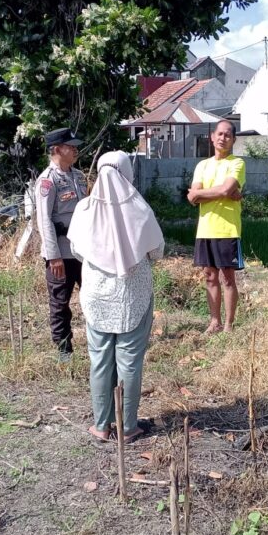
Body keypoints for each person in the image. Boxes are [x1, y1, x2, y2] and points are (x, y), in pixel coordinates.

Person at [67, 151, 165, 442]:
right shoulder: (140, 209)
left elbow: (76, 250)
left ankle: (101, 426)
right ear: (127, 173)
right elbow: (157, 251)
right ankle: (127, 427)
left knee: (99, 360)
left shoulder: (84, 209)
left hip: (96, 295)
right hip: (132, 296)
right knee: (130, 361)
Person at [35, 127, 88, 363]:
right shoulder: (47, 181)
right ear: (57, 149)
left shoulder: (77, 176)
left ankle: (98, 341)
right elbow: (44, 220)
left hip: (82, 251)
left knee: (92, 296)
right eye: (70, 146)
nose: (75, 150)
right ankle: (64, 350)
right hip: (61, 252)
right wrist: (53, 256)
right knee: (60, 302)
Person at [187, 120, 245, 334]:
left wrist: (202, 194)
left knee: (228, 278)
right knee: (209, 277)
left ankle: (229, 325)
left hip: (228, 229)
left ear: (233, 140)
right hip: (205, 230)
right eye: (219, 134)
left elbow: (224, 190)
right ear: (212, 137)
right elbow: (193, 198)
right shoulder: (202, 165)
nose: (223, 138)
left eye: (227, 135)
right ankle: (215, 321)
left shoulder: (237, 163)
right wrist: (219, 192)